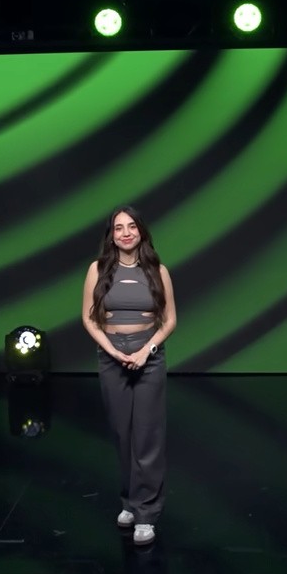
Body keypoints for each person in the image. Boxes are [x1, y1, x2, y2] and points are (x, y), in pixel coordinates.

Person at [82, 205, 178, 546]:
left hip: (147, 356)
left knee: (147, 437)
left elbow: (170, 320)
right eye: (119, 227)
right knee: (123, 435)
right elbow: (89, 318)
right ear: (111, 235)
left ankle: (146, 514)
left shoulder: (157, 270)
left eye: (131, 226)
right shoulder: (97, 269)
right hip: (112, 357)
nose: (125, 233)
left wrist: (145, 350)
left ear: (141, 232)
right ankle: (129, 502)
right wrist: (112, 350)